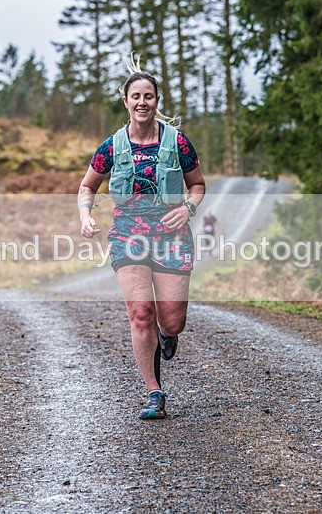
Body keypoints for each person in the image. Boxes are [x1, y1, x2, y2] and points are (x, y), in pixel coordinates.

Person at [77, 57, 206, 420]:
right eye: (136, 96)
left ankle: (168, 335)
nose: (142, 102)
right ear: (126, 101)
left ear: (157, 101)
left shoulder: (177, 142)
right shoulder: (112, 146)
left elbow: (197, 185)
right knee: (139, 313)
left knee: (172, 320)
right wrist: (85, 214)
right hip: (128, 237)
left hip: (172, 236)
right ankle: (154, 391)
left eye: (148, 96)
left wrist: (188, 209)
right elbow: (87, 186)